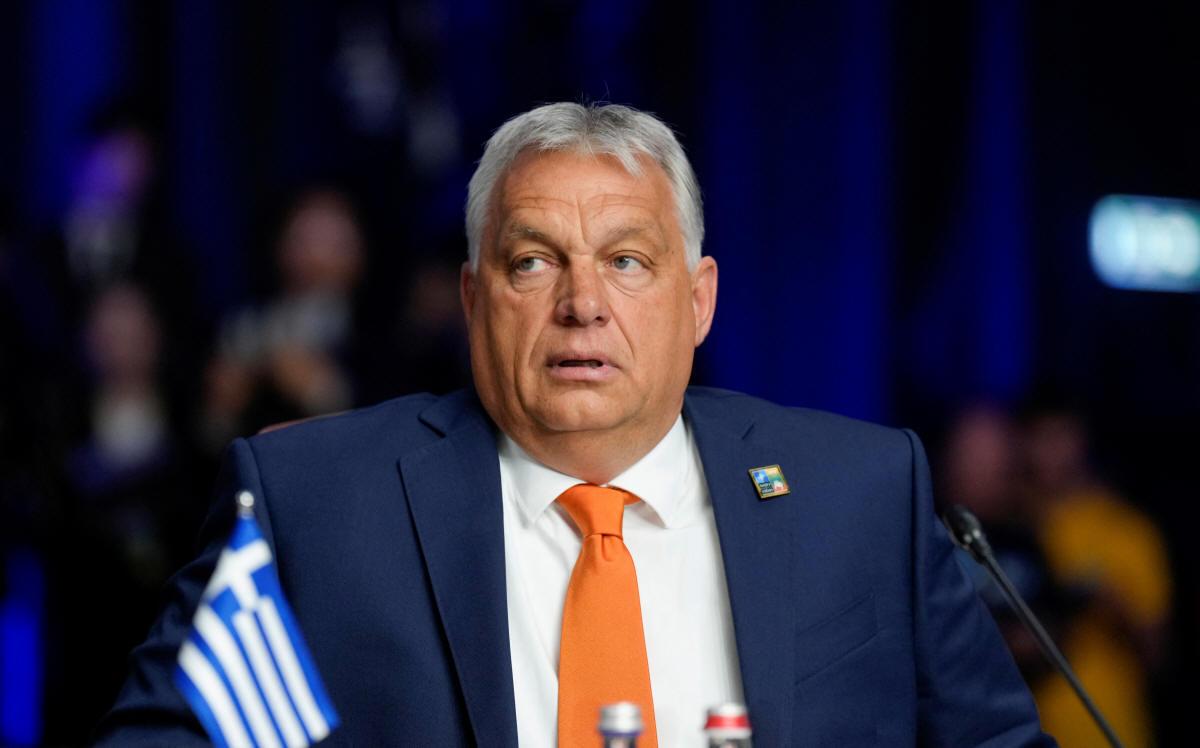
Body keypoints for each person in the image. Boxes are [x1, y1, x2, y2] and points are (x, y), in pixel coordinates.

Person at [95, 103, 1053, 746]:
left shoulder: (863, 495)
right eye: (532, 262)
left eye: (627, 261)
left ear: (699, 301)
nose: (582, 304)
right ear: (473, 300)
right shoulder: (314, 507)